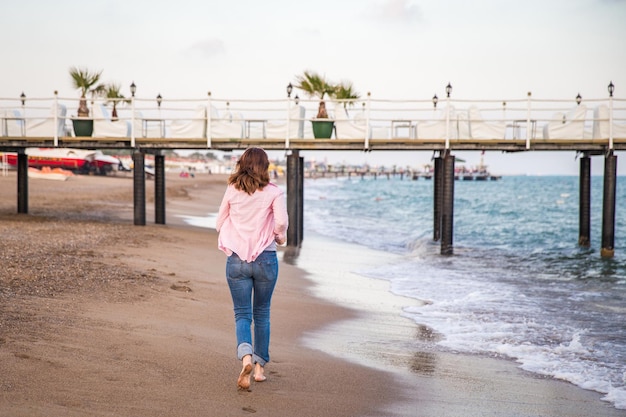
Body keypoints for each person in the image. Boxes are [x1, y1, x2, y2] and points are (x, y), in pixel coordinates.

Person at [216, 147, 289, 390]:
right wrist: (279, 237)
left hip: (237, 260)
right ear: (265, 166)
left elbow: (219, 222)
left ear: (242, 164)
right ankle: (259, 370)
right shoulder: (274, 192)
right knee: (262, 313)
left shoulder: (232, 189)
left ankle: (245, 358)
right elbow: (281, 222)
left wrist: (233, 235)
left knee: (242, 314)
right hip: (266, 258)